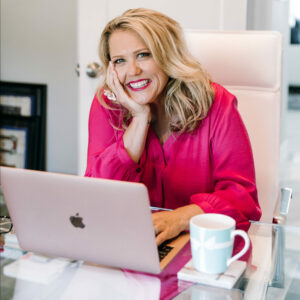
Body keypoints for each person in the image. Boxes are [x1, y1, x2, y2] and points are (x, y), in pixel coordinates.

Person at [85, 8, 261, 246]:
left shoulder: (217, 103)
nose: (133, 71)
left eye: (144, 55)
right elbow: (97, 194)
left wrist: (178, 219)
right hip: (128, 242)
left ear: (167, 55)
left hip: (200, 245)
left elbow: (242, 198)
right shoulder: (107, 105)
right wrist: (139, 118)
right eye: (120, 61)